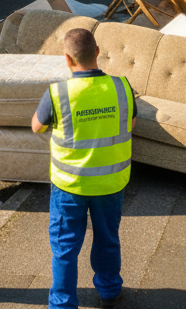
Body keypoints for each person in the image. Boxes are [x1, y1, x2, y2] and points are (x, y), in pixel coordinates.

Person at [31, 28, 135, 309]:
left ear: (67, 58)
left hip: (70, 187)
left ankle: (63, 304)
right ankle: (110, 290)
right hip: (110, 183)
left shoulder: (58, 93)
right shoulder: (121, 86)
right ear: (97, 52)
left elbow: (36, 126)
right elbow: (130, 123)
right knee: (108, 240)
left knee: (65, 248)